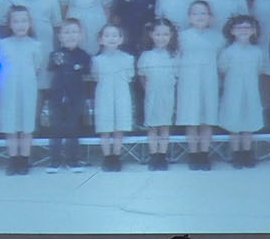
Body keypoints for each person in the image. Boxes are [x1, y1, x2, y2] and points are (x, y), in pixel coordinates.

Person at [0, 4, 43, 175]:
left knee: (26, 123)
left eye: (24, 21)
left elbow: (37, 67)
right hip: (8, 88)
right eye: (16, 21)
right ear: (10, 24)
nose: (20, 25)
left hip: (28, 87)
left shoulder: (35, 45)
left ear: (29, 23)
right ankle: (13, 159)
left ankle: (24, 160)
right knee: (10, 123)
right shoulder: (2, 44)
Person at [175, 0, 223, 170]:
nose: (200, 17)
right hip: (189, 81)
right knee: (191, 118)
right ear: (189, 18)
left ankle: (204, 153)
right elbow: (177, 58)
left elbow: (221, 61)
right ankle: (193, 154)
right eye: (195, 13)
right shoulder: (182, 36)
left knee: (207, 119)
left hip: (209, 80)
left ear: (210, 17)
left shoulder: (217, 37)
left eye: (204, 13)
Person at [218, 14, 265, 168]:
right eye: (239, 28)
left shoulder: (257, 52)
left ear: (253, 30)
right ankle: (236, 154)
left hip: (250, 91)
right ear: (232, 31)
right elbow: (223, 70)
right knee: (234, 123)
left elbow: (259, 70)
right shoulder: (228, 52)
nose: (243, 31)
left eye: (247, 28)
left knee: (248, 122)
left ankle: (247, 153)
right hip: (233, 91)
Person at [46, 19, 91, 172]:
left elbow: (86, 71)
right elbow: (51, 67)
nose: (70, 35)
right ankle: (55, 161)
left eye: (74, 32)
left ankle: (73, 160)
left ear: (80, 35)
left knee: (73, 127)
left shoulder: (84, 55)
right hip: (57, 95)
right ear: (60, 36)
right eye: (66, 32)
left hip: (76, 96)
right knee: (56, 128)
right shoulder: (55, 54)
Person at [92, 23, 136, 172]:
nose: (111, 39)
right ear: (101, 40)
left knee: (119, 127)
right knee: (105, 127)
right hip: (104, 95)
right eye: (107, 36)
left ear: (121, 39)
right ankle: (107, 157)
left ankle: (116, 156)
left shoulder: (128, 58)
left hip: (121, 94)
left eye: (115, 35)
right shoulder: (97, 60)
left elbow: (129, 76)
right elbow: (96, 77)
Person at [138, 19, 180, 171]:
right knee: (153, 125)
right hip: (152, 95)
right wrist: (148, 90)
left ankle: (162, 155)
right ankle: (153, 155)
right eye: (158, 34)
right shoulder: (146, 55)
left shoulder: (174, 55)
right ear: (151, 35)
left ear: (171, 36)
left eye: (165, 34)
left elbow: (176, 76)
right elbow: (142, 76)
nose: (161, 38)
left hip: (167, 94)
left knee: (165, 125)